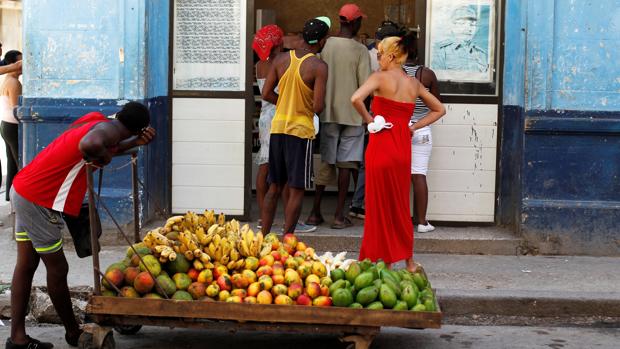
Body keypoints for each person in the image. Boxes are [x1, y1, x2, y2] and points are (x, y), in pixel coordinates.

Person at [7, 102, 155, 349]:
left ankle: (17, 339)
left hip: (23, 188)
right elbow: (91, 145)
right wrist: (105, 155)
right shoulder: (106, 133)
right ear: (134, 129)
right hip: (39, 200)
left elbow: (98, 144)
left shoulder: (96, 120)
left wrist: (133, 144)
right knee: (58, 269)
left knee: (27, 264)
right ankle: (73, 332)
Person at [351, 36, 445, 271]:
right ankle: (408, 261)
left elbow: (355, 99)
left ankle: (375, 259)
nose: (378, 58)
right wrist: (412, 127)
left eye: (380, 54)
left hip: (381, 145)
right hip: (402, 147)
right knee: (400, 205)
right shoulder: (413, 83)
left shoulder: (379, 78)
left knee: (377, 206)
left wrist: (370, 120)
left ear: (392, 56)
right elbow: (439, 109)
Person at [260, 17, 329, 236]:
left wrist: (286, 102)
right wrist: (302, 105)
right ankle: (287, 240)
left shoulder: (280, 59)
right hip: (300, 132)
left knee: (274, 186)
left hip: (278, 128)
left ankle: (263, 238)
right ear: (323, 41)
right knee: (297, 188)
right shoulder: (319, 66)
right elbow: (318, 105)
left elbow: (266, 93)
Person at [306, 3, 371, 229]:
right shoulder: (360, 50)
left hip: (328, 113)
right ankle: (338, 216)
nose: (362, 22)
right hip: (352, 115)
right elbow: (365, 86)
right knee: (347, 166)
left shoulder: (326, 44)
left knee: (327, 162)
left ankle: (314, 213)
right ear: (354, 23)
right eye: (360, 20)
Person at [349, 20, 404, 220]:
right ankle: (373, 207)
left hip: (375, 117)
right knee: (383, 166)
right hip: (387, 120)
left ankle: (359, 204)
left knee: (369, 163)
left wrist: (368, 118)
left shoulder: (370, 55)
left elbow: (359, 96)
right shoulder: (394, 66)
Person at [403, 34, 443, 233]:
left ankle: (398, 220)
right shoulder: (426, 75)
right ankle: (422, 222)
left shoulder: (392, 75)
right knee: (419, 175)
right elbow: (436, 102)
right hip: (421, 128)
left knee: (399, 177)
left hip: (399, 129)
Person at [432, 6, 488, 72]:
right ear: (452, 26)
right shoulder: (441, 50)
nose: (468, 29)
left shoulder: (481, 54)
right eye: (462, 23)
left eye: (472, 24)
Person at [1, 50, 22, 201]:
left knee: (12, 165)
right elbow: (16, 109)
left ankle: (11, 198)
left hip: (6, 125)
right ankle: (19, 201)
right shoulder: (14, 82)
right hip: (12, 126)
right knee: (19, 165)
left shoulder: (7, 79)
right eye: (20, 62)